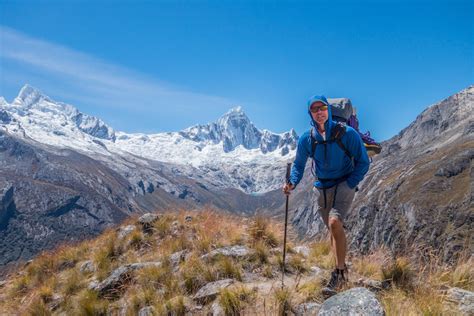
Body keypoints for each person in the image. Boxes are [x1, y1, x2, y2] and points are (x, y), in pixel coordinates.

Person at [283, 95, 370, 293]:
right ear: (310, 114)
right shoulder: (308, 138)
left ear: (328, 110)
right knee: (332, 229)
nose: (319, 112)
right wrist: (291, 182)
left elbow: (364, 162)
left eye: (322, 108)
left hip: (344, 183)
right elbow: (298, 165)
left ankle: (339, 273)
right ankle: (339, 267)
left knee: (334, 223)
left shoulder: (347, 133)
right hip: (321, 186)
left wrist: (351, 183)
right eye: (315, 110)